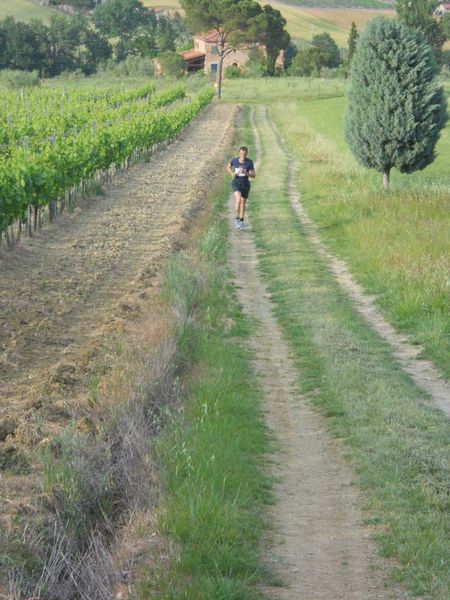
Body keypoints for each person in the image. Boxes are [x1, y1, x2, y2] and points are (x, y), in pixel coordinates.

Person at [227, 146, 255, 230]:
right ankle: (237, 220)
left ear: (247, 154)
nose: (243, 156)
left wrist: (246, 172)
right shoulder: (234, 160)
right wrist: (232, 173)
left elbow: (253, 175)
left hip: (245, 184)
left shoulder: (249, 162)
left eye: (245, 154)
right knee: (238, 200)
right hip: (236, 183)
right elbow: (228, 167)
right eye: (242, 154)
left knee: (243, 203)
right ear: (239, 153)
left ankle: (242, 221)